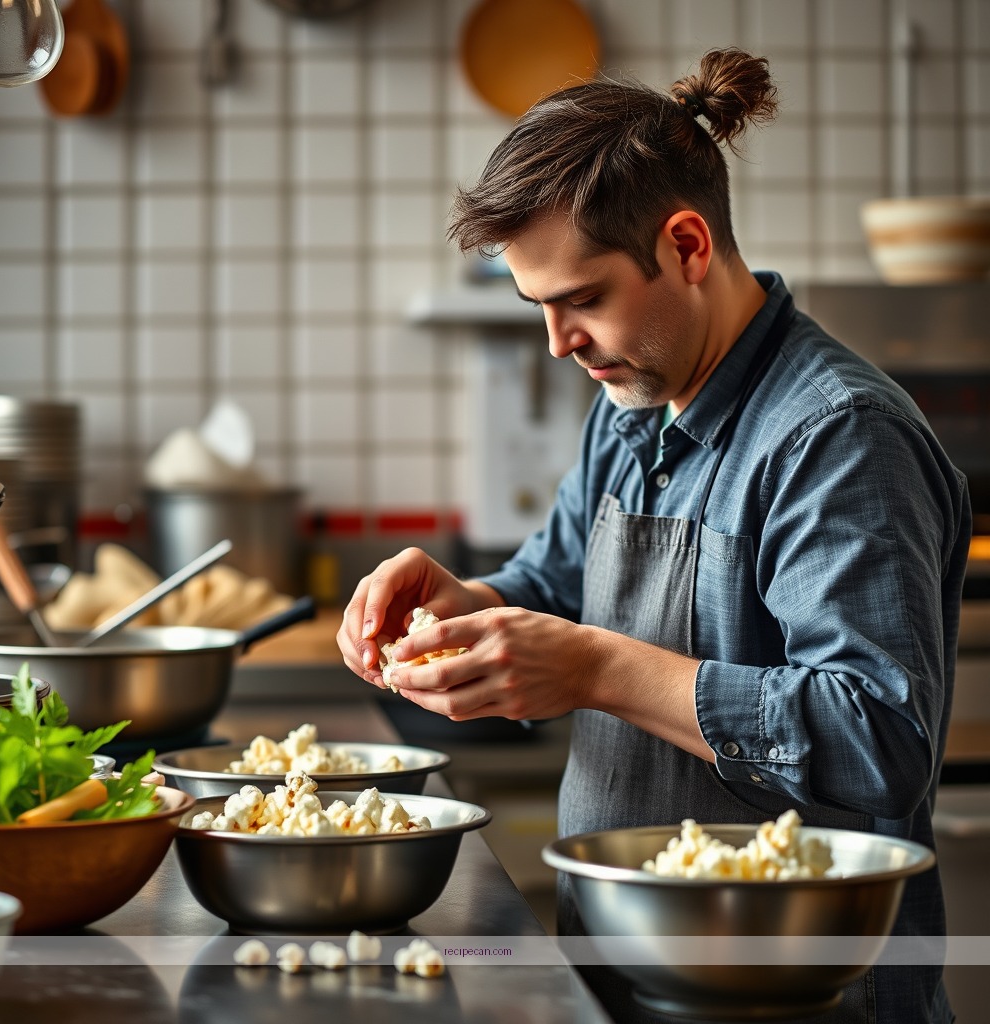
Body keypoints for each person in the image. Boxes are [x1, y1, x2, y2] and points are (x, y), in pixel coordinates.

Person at [336, 48, 970, 1024]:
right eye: (537, 306)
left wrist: (595, 668)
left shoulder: (836, 437)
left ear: (685, 245)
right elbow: (556, 583)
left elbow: (878, 733)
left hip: (798, 998)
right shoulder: (634, 402)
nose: (556, 343)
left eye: (581, 300)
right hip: (632, 978)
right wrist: (468, 606)